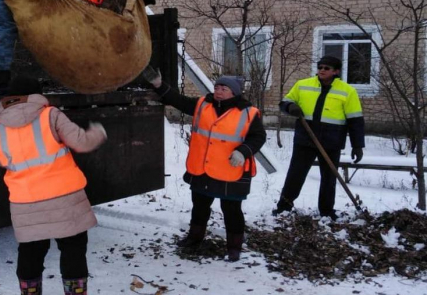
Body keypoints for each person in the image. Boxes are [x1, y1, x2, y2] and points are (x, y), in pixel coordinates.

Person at [0, 76, 107, 295]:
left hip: (25, 198)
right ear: (36, 94)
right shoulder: (50, 115)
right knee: (73, 249)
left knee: (30, 250)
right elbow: (81, 142)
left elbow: (1, 160)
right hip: (63, 196)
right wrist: (98, 132)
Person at [143, 69, 266, 261]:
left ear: (234, 92)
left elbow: (258, 137)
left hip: (230, 170)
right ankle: (194, 239)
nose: (218, 91)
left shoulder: (249, 113)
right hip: (203, 169)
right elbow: (179, 101)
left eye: (224, 88)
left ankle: (234, 247)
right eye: (217, 87)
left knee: (232, 211)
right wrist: (159, 85)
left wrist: (243, 151)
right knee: (199, 206)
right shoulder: (203, 104)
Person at [273, 55, 365, 220]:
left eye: (326, 68)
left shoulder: (347, 91)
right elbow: (284, 102)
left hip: (332, 140)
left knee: (329, 178)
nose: (322, 70)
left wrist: (357, 145)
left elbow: (355, 120)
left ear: (336, 71)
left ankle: (326, 211)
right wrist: (290, 107)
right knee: (296, 174)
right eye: (320, 67)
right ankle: (283, 206)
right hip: (305, 137)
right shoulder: (303, 85)